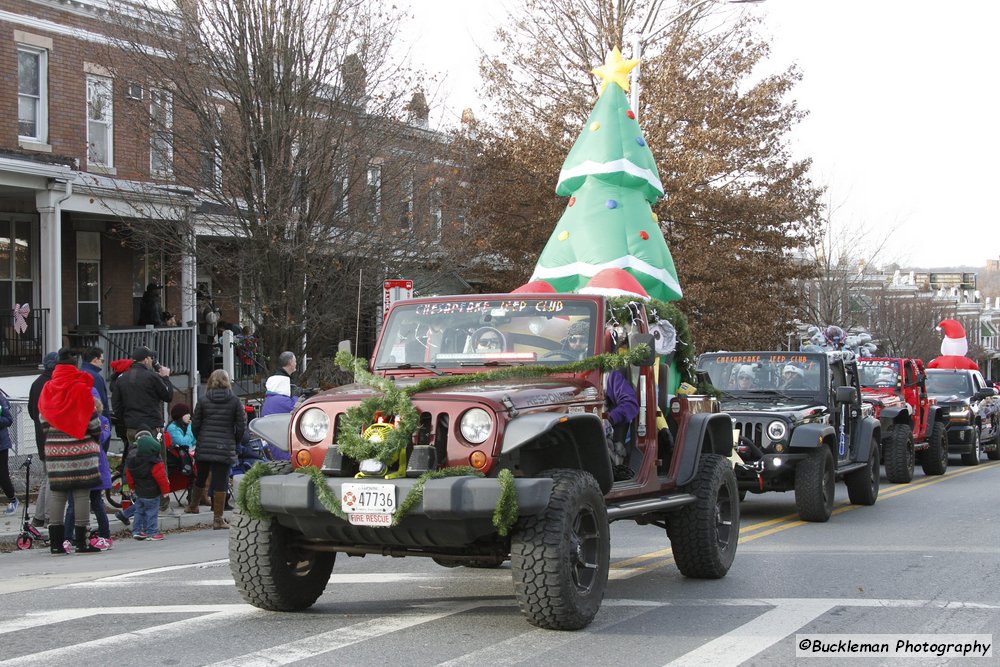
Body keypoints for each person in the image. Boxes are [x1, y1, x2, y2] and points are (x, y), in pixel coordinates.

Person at [38, 348, 104, 555]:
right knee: (81, 495)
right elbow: (93, 421)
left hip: (55, 449)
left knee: (58, 495)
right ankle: (82, 542)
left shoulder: (48, 388)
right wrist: (94, 435)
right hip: (81, 449)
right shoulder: (80, 388)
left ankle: (56, 544)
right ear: (74, 366)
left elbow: (43, 419)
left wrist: (55, 435)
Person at [187, 369, 246, 529]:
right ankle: (218, 519)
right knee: (221, 481)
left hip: (205, 444)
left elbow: (195, 424)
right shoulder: (234, 401)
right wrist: (235, 441)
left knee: (201, 477)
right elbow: (241, 426)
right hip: (225, 446)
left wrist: (201, 438)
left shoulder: (203, 400)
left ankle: (193, 505)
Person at [64, 387, 114, 550]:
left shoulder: (103, 421)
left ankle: (105, 535)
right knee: (73, 504)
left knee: (97, 502)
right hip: (78, 468)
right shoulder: (75, 419)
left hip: (96, 467)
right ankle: (67, 537)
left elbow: (99, 437)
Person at [111, 345, 174, 475]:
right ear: (145, 360)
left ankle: (131, 489)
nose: (152, 361)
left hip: (132, 427)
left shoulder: (121, 379)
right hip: (152, 427)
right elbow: (168, 396)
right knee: (158, 460)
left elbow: (116, 406)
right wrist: (166, 378)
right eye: (151, 358)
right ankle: (162, 493)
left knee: (133, 458)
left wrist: (127, 420)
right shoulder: (152, 377)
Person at [27, 351, 58, 529]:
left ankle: (39, 517)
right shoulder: (52, 384)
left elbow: (32, 411)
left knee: (47, 477)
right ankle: (47, 517)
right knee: (52, 479)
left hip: (41, 435)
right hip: (52, 436)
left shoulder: (36, 383)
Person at [125, 431, 169, 541]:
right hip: (153, 493)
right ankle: (152, 531)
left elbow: (129, 475)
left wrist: (131, 487)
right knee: (152, 512)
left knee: (139, 511)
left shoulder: (133, 461)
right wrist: (165, 491)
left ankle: (137, 531)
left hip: (140, 491)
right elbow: (162, 479)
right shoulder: (155, 463)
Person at [260, 375, 296, 461]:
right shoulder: (281, 401)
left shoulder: (269, 400)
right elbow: (296, 408)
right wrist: (296, 397)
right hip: (283, 447)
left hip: (274, 443)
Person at [80, 347, 110, 448]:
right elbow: (101, 404)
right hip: (95, 424)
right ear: (95, 360)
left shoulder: (78, 373)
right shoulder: (96, 377)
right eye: (102, 360)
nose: (102, 363)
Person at [166, 402, 196, 477]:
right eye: (187, 413)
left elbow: (193, 441)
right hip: (179, 461)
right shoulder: (172, 428)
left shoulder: (183, 426)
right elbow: (185, 444)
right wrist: (190, 427)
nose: (189, 416)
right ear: (180, 415)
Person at [1, 390, 17, 514]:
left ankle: (13, 500)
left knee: (2, 474)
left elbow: (9, 419)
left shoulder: (0, 398)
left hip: (1, 444)